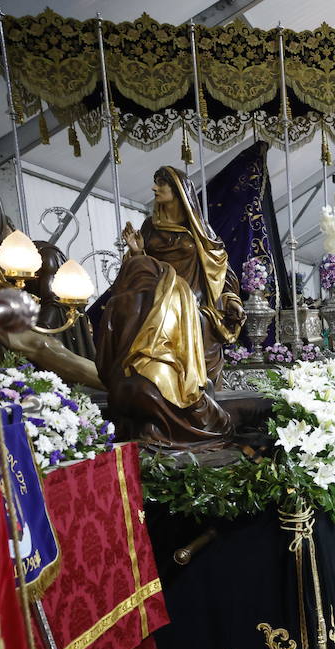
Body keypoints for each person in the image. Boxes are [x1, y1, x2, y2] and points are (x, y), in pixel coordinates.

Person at [98, 166, 245, 447]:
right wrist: (137, 251)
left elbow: (221, 274)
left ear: (177, 191)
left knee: (196, 321)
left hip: (196, 305)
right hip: (159, 302)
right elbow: (143, 269)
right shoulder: (150, 227)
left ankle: (187, 397)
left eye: (160, 185)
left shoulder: (199, 230)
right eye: (154, 184)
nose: (154, 190)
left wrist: (231, 300)